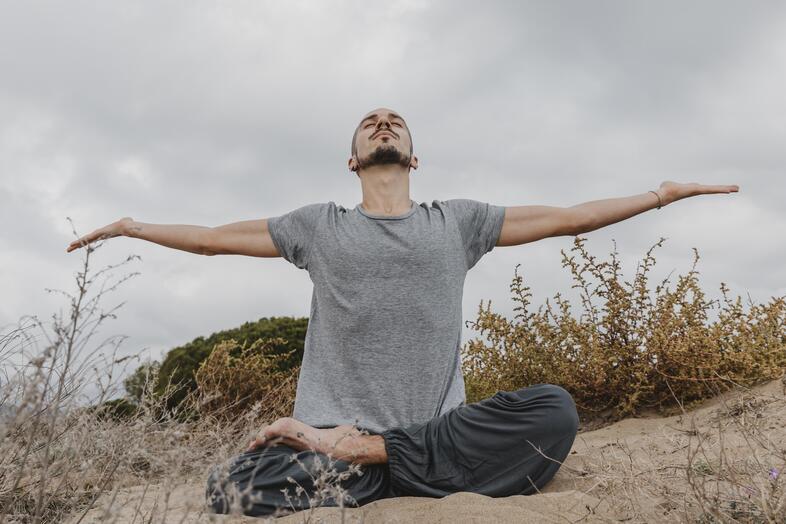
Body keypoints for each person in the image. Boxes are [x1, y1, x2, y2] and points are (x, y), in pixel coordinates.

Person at [66, 107, 739, 517]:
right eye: (370, 122)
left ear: (413, 155)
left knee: (554, 412)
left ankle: (375, 460)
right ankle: (375, 463)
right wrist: (134, 225)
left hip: (427, 435)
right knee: (229, 485)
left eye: (395, 121)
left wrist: (659, 194)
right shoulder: (317, 226)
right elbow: (214, 240)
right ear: (353, 158)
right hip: (334, 437)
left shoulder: (459, 222)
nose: (383, 123)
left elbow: (567, 218)